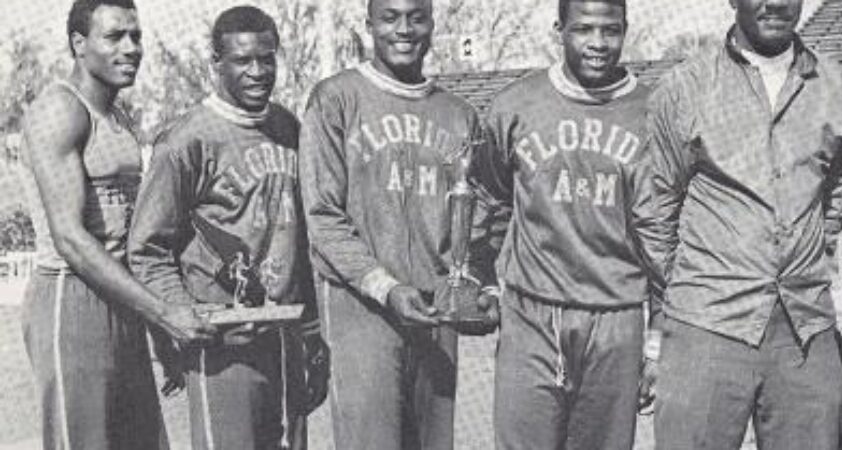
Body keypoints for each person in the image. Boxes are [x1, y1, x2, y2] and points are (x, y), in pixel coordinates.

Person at [635, 0, 842, 448]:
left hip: (805, 325)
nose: (775, 3)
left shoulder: (835, 85)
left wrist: (808, 253)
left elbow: (839, 189)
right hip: (706, 326)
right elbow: (654, 208)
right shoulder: (686, 87)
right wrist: (695, 284)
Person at [299, 0, 498, 448]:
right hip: (362, 307)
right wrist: (384, 286)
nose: (404, 29)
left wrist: (479, 288)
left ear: (432, 23)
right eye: (390, 17)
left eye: (416, 17)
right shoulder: (335, 99)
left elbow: (480, 219)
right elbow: (322, 216)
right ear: (368, 24)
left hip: (436, 306)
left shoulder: (459, 114)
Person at [20, 0, 217, 448]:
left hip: (122, 299)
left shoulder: (119, 115)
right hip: (71, 297)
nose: (131, 48)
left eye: (136, 36)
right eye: (114, 37)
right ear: (78, 44)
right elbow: (70, 239)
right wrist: (164, 314)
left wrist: (155, 329)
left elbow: (132, 235)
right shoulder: (58, 111)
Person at [127, 6, 326, 449]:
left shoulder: (288, 128)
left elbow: (304, 242)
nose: (258, 72)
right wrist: (184, 314)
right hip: (223, 343)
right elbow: (147, 249)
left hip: (286, 335)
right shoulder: (186, 140)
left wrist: (312, 333)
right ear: (216, 63)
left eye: (267, 58)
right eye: (242, 61)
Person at [476, 0, 650, 448]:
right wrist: (484, 279)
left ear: (626, 29)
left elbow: (665, 234)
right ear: (559, 29)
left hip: (616, 315)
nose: (598, 43)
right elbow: (489, 200)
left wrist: (658, 340)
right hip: (532, 313)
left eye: (610, 30)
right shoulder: (516, 105)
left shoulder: (653, 111)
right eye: (583, 30)